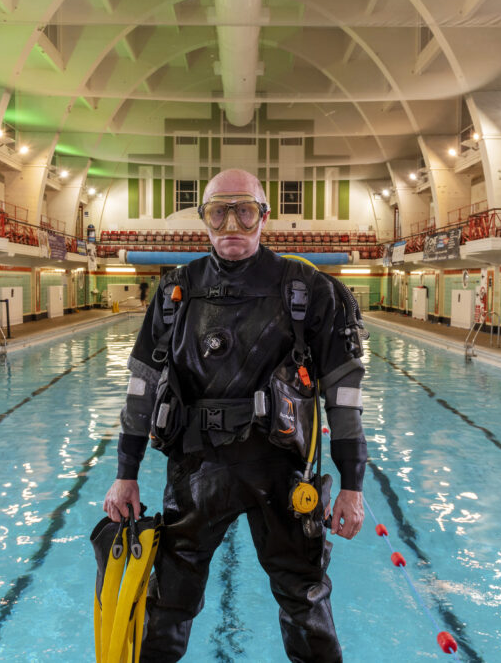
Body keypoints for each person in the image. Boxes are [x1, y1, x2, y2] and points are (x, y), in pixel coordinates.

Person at [103, 168, 367, 662]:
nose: (231, 224)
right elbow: (141, 391)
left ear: (264, 217)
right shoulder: (173, 294)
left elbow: (344, 397)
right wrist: (125, 476)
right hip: (195, 471)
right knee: (169, 604)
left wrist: (352, 485)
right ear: (202, 219)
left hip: (284, 475)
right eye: (217, 211)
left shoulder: (310, 290)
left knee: (305, 600)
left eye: (244, 211)